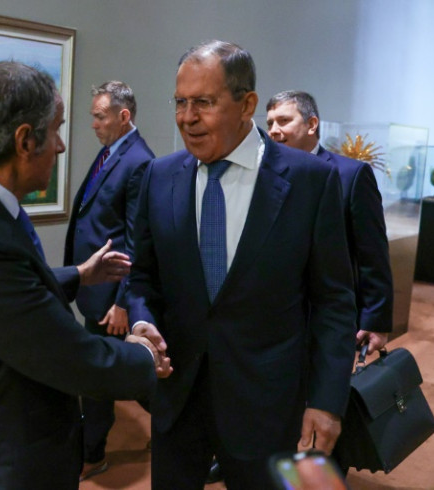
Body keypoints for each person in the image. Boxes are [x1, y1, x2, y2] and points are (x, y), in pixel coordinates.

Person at [0, 61, 171, 490]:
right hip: (10, 467)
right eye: (56, 131)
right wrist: (145, 355)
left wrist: (78, 276)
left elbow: (11, 297)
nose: (63, 146)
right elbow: (75, 360)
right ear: (25, 140)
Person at [125, 40, 357, 489]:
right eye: (180, 102)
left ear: (247, 103)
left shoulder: (310, 180)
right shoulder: (158, 177)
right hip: (177, 396)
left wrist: (327, 401)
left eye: (204, 103)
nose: (187, 118)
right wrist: (140, 322)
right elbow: (142, 279)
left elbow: (334, 301)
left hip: (267, 405)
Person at [63, 80, 155, 481]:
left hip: (111, 297)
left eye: (100, 116)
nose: (94, 124)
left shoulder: (139, 161)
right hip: (96, 289)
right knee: (102, 377)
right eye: (93, 116)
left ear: (123, 116)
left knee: (111, 379)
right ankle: (93, 449)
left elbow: (137, 238)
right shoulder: (111, 152)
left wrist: (123, 301)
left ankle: (93, 452)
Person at [266, 90, 393, 354]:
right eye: (269, 123)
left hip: (328, 317)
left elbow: (373, 252)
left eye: (283, 121)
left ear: (312, 124)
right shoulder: (262, 176)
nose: (274, 131)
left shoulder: (351, 174)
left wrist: (376, 320)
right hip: (273, 316)